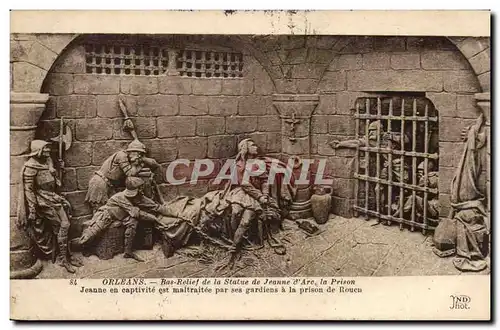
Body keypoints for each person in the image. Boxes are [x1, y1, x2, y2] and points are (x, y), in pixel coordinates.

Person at [17, 140, 82, 273]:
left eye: (48, 149)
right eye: (45, 149)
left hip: (53, 197)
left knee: (64, 226)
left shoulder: (48, 161)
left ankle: (66, 256)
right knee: (62, 226)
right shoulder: (30, 167)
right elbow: (29, 191)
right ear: (38, 151)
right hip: (44, 201)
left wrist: (57, 171)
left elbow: (56, 183)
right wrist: (33, 209)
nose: (48, 152)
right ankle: (63, 259)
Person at [77, 177, 168, 262]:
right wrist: (155, 219)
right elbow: (138, 213)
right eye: (139, 189)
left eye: (141, 188)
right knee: (89, 236)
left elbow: (155, 207)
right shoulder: (121, 197)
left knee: (133, 222)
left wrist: (176, 213)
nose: (142, 191)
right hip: (105, 216)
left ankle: (128, 252)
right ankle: (70, 248)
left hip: (122, 216)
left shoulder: (139, 197)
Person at [85, 139, 160, 212]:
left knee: (112, 209)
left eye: (141, 155)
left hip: (109, 185)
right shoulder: (122, 155)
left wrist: (143, 160)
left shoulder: (131, 158)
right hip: (100, 183)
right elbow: (130, 173)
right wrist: (136, 164)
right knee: (99, 210)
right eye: (138, 154)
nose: (139, 156)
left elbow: (155, 165)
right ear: (132, 151)